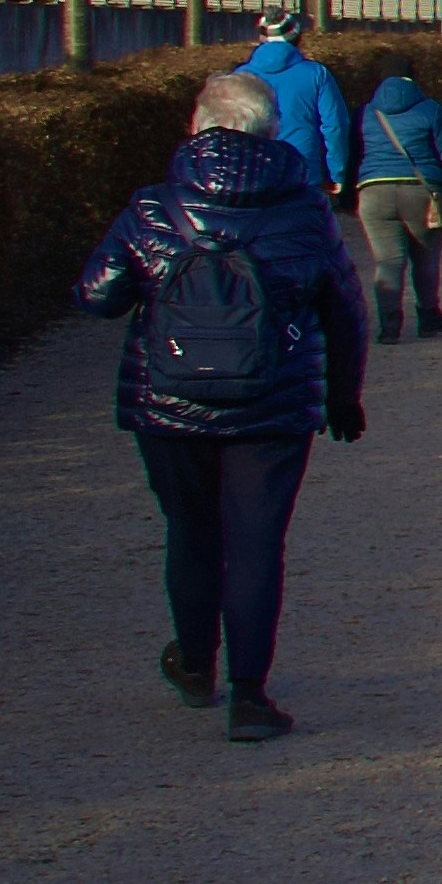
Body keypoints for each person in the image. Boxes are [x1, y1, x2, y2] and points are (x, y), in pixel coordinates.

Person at [75, 67, 369, 743]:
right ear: (271, 133)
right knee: (258, 542)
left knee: (191, 531)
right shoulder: (303, 212)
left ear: (198, 127)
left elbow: (96, 296)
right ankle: (250, 695)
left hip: (169, 402)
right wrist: (342, 397)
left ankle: (195, 665)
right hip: (271, 403)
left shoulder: (153, 208)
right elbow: (345, 310)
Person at [349, 65, 442, 339]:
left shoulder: (365, 113)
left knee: (388, 261)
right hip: (422, 193)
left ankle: (389, 327)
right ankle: (428, 316)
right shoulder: (430, 110)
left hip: (373, 192)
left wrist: (347, 197)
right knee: (425, 260)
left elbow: (353, 156)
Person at [236, 20, 350, 197]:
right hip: (303, 170)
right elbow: (335, 127)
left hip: (253, 169)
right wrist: (337, 172)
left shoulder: (240, 75)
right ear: (297, 38)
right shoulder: (317, 73)